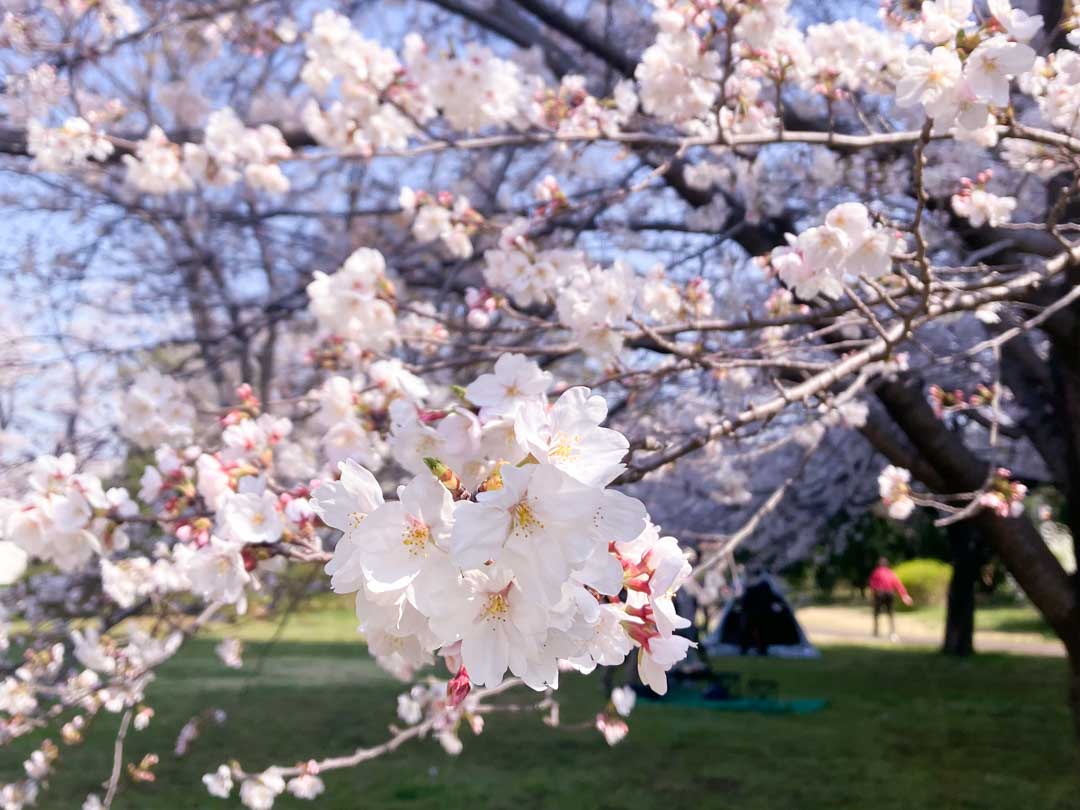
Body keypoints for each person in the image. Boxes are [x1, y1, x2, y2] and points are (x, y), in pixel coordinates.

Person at [867, 557, 913, 641]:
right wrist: (904, 595)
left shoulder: (876, 572)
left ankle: (876, 632)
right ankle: (892, 633)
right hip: (889, 594)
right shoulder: (890, 572)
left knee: (876, 614)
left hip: (880, 594)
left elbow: (872, 584)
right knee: (891, 614)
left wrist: (872, 595)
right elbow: (897, 584)